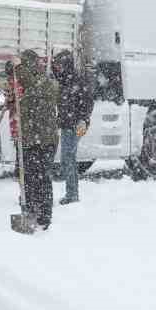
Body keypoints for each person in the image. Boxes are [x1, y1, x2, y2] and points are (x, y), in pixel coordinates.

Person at [13, 48, 61, 230]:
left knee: (42, 178)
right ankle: (31, 212)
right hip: (29, 140)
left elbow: (33, 87)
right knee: (28, 179)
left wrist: (19, 69)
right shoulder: (27, 86)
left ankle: (44, 216)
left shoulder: (48, 84)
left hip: (44, 141)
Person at [52, 50, 95, 205]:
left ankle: (72, 194)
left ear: (67, 65)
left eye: (59, 65)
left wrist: (83, 120)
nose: (58, 69)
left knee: (67, 159)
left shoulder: (78, 81)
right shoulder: (65, 80)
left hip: (77, 125)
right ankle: (72, 193)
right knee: (68, 158)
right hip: (67, 124)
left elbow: (88, 102)